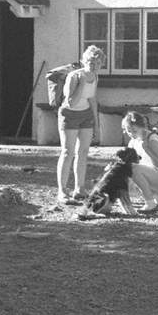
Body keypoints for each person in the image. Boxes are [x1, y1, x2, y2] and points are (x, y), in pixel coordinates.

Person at [56, 45, 102, 205]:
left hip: (86, 115)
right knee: (68, 152)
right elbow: (71, 102)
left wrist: (96, 124)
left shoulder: (95, 77)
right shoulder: (74, 76)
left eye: (97, 62)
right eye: (90, 61)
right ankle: (62, 191)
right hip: (69, 115)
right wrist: (82, 83)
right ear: (83, 61)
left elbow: (92, 100)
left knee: (83, 152)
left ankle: (79, 189)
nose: (93, 65)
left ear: (101, 64)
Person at [121, 111, 158, 214]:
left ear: (142, 127)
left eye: (134, 130)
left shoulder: (152, 139)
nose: (131, 134)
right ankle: (149, 197)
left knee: (134, 169)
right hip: (150, 175)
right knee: (124, 168)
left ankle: (150, 202)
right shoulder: (133, 141)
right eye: (128, 131)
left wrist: (147, 149)